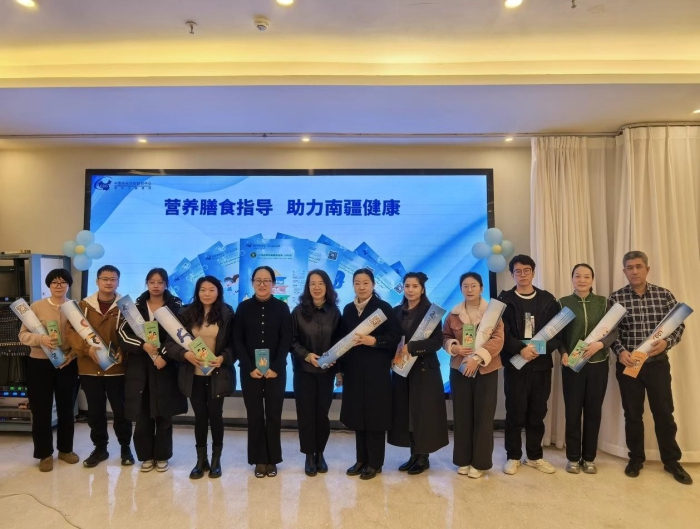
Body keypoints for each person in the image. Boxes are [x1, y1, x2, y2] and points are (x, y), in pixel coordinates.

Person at [609, 251, 692, 485]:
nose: (634, 271)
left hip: (657, 366)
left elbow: (678, 326)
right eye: (629, 267)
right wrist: (620, 351)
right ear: (624, 271)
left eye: (638, 266)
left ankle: (671, 461)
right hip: (629, 366)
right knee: (632, 415)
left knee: (664, 414)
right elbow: (610, 333)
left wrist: (668, 342)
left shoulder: (664, 295)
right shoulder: (616, 298)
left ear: (647, 269)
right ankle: (636, 459)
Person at [163, 275, 235, 479]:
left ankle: (216, 461)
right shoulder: (185, 313)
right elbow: (169, 343)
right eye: (203, 290)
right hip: (193, 375)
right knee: (200, 417)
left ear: (218, 292)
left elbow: (234, 344)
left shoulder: (227, 313)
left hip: (217, 374)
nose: (207, 294)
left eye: (211, 290)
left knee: (216, 416)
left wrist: (223, 358)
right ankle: (201, 461)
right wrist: (184, 354)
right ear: (197, 292)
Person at [117, 268, 188, 473]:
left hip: (165, 366)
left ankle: (163, 455)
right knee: (143, 414)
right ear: (147, 283)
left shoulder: (177, 306)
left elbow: (181, 335)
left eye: (160, 282)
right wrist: (143, 346)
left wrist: (164, 356)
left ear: (166, 284)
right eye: (152, 282)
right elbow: (122, 334)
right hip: (140, 366)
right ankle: (146, 456)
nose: (156, 286)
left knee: (164, 414)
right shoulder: (134, 307)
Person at [64, 265, 134, 468]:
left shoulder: (126, 306)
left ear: (118, 282)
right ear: (97, 281)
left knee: (121, 412)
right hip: (89, 368)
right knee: (95, 412)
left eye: (113, 279)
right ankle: (100, 448)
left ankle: (125, 448)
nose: (109, 282)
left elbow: (135, 333)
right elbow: (70, 332)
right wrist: (87, 349)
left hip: (117, 369)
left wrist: (124, 351)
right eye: (105, 279)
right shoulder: (83, 306)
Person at [497, 255, 562, 475]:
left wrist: (537, 350)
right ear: (512, 274)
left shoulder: (548, 300)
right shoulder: (504, 300)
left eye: (527, 270)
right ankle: (513, 456)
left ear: (533, 272)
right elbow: (501, 332)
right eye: (518, 271)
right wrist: (520, 349)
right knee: (515, 412)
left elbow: (558, 333)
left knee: (537, 412)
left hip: (541, 366)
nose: (522, 275)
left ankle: (534, 456)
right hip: (515, 366)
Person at [340, 268, 401, 480]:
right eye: (357, 283)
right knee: (358, 416)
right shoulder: (348, 309)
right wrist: (340, 369)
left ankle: (375, 463)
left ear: (373, 285)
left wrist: (373, 341)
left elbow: (395, 336)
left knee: (375, 417)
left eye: (365, 283)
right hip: (354, 371)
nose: (361, 287)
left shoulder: (383, 308)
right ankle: (361, 460)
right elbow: (342, 341)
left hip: (376, 371)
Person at [443, 272, 504, 478]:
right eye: (465, 286)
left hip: (486, 369)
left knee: (483, 416)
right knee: (462, 415)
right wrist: (454, 347)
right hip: (459, 370)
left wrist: (476, 358)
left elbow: (498, 340)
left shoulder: (493, 313)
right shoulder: (453, 314)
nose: (469, 290)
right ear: (461, 289)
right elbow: (445, 336)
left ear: (481, 288)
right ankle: (463, 460)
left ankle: (480, 463)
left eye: (473, 286)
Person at [18, 269, 80, 472]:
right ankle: (44, 454)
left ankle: (65, 450)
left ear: (68, 285)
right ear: (49, 285)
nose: (59, 285)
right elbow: (23, 335)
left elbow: (81, 336)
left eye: (63, 282)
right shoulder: (36, 307)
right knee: (41, 410)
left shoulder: (75, 307)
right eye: (54, 282)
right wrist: (41, 339)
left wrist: (72, 355)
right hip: (39, 364)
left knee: (66, 409)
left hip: (67, 364)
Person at [234, 266, 292, 478]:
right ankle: (259, 459)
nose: (262, 284)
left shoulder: (282, 308)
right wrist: (249, 367)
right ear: (252, 283)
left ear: (273, 284)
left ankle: (273, 459)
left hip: (276, 372)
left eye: (266, 280)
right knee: (255, 415)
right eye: (258, 280)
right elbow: (237, 340)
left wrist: (275, 367)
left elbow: (286, 339)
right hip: (250, 372)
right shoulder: (243, 308)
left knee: (274, 415)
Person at [559, 264, 617, 474]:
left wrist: (600, 345)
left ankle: (589, 458)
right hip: (572, 365)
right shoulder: (563, 303)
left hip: (597, 364)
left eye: (586, 276)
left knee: (593, 411)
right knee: (573, 412)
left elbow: (614, 332)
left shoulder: (603, 303)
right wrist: (563, 352)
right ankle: (573, 458)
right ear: (572, 278)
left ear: (592, 279)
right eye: (577, 276)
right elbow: (558, 334)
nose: (582, 280)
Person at [388, 272, 448, 475]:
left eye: (415, 286)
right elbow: (392, 338)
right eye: (407, 286)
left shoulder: (431, 313)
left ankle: (423, 457)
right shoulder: (396, 311)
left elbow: (437, 342)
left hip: (424, 370)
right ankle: (413, 455)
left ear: (422, 289)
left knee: (423, 414)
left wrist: (412, 347)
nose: (410, 290)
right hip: (402, 369)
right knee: (406, 413)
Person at [291, 270, 344, 477]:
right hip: (304, 371)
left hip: (326, 372)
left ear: (327, 286)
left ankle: (320, 452)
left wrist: (338, 369)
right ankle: (308, 455)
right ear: (307, 287)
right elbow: (291, 341)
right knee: (306, 414)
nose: (316, 287)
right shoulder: (297, 311)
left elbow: (340, 343)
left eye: (321, 283)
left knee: (322, 415)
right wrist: (306, 355)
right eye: (312, 283)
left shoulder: (335, 312)